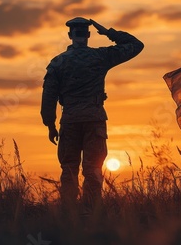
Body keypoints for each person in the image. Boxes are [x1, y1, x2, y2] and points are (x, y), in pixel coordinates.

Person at [41, 17, 144, 215]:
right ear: (88, 35)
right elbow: (136, 45)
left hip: (70, 121)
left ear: (70, 35)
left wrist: (50, 125)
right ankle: (91, 214)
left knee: (69, 169)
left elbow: (48, 97)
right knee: (93, 169)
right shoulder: (100, 56)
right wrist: (108, 33)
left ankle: (69, 214)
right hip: (95, 120)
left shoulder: (58, 62)